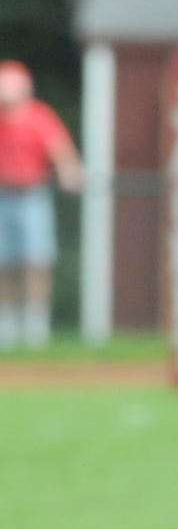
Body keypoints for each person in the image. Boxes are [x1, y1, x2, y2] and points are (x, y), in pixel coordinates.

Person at [0, 60, 83, 349]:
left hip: (32, 195)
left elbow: (60, 148)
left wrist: (70, 170)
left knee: (36, 261)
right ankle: (7, 327)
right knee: (5, 263)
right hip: (2, 196)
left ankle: (36, 327)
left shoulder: (39, 117)